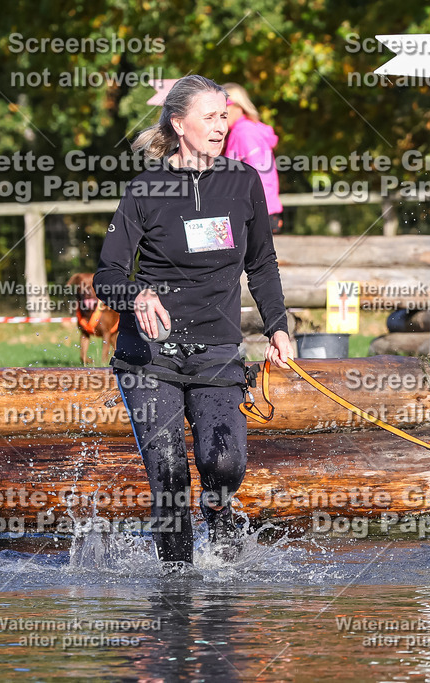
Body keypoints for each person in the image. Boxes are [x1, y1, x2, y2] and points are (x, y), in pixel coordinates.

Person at [93, 75, 293, 568]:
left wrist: (278, 328)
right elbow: (107, 274)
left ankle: (221, 537)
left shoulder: (243, 182)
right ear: (179, 124)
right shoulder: (146, 188)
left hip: (217, 352)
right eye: (210, 116)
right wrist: (136, 294)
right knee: (167, 473)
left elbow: (262, 265)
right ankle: (177, 583)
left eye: (225, 115)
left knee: (223, 464)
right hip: (150, 356)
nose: (221, 125)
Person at [222, 83, 284, 234]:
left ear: (239, 105)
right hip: (260, 209)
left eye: (225, 106)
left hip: (256, 212)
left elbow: (258, 175)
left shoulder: (244, 133)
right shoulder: (245, 130)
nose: (221, 113)